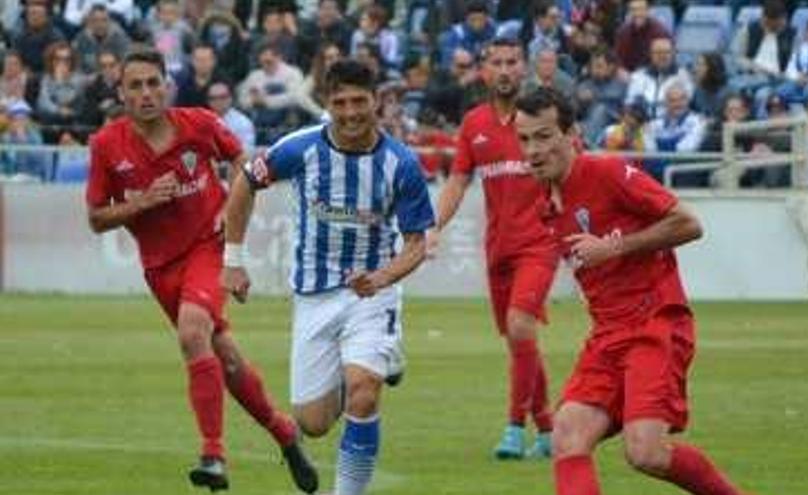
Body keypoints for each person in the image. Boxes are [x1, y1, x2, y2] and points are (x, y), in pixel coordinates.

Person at [84, 49, 318, 494]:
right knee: (225, 359)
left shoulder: (198, 123)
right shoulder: (106, 145)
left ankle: (213, 455)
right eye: (135, 86)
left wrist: (231, 203)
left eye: (153, 82)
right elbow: (96, 217)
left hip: (208, 250)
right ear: (121, 94)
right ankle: (284, 432)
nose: (147, 93)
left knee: (193, 332)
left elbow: (244, 164)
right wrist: (142, 202)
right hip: (160, 270)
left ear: (166, 85)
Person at [513, 87, 751, 495]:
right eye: (524, 139)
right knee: (567, 433)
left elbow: (688, 224)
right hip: (607, 335)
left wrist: (616, 246)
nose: (532, 150)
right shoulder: (545, 204)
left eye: (544, 136)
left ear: (572, 135)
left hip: (653, 323)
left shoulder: (607, 174)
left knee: (646, 453)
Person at [222, 59, 435, 495]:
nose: (352, 112)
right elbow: (245, 183)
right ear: (327, 103)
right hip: (314, 296)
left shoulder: (402, 164)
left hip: (372, 295)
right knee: (313, 422)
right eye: (341, 102)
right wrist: (233, 259)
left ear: (377, 101)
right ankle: (381, 359)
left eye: (361, 101)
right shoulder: (299, 149)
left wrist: (381, 278)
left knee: (363, 392)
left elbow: (416, 244)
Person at [428, 37, 558, 460]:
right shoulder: (474, 123)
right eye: (496, 62)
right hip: (498, 248)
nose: (504, 70)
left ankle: (513, 429)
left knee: (521, 327)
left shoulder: (543, 118)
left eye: (512, 62)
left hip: (540, 243)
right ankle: (548, 430)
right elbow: (458, 181)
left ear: (525, 68)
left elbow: (575, 171)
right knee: (519, 340)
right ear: (484, 71)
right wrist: (434, 227)